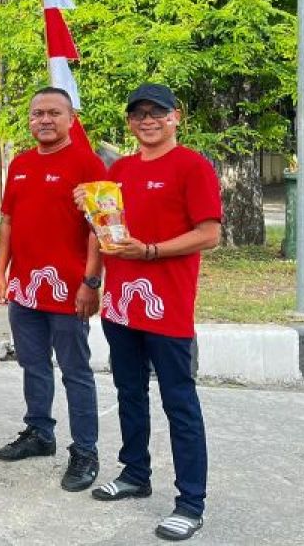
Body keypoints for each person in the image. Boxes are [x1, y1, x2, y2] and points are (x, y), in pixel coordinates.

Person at [79, 84, 221, 542]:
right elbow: (103, 230)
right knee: (128, 392)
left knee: (179, 403)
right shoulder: (118, 170)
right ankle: (135, 473)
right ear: (130, 122)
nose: (147, 120)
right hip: (121, 305)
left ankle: (190, 502)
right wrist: (92, 279)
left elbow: (209, 234)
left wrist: (152, 251)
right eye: (138, 113)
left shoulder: (192, 167)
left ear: (175, 116)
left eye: (156, 112)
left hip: (168, 308)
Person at [0, 87, 106, 492]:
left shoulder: (87, 163)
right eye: (37, 113)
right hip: (25, 289)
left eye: (53, 113)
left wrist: (91, 282)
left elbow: (100, 227)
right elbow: (7, 221)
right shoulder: (20, 164)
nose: (44, 120)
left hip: (69, 290)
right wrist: (0, 271)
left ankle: (86, 450)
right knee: (33, 365)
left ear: (70, 118)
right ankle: (39, 432)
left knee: (75, 371)